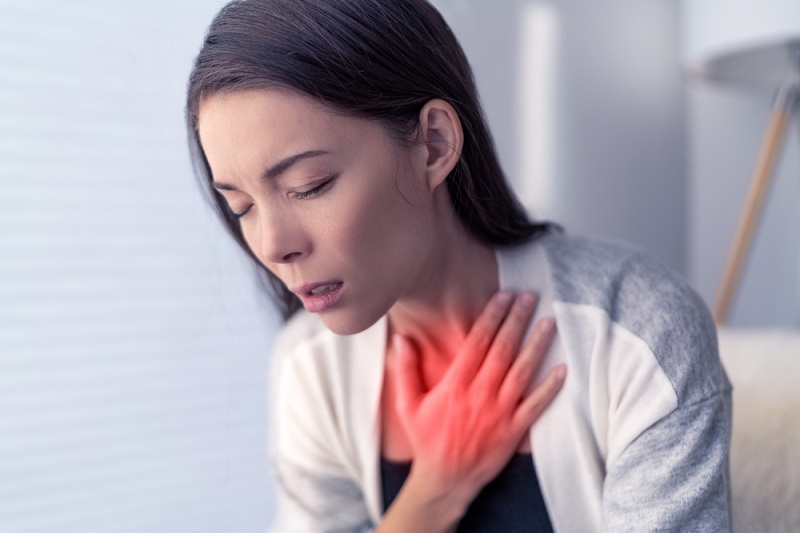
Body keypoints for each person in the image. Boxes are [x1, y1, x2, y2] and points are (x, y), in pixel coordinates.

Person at [185, 0, 733, 531]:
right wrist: (433, 493)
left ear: (434, 143)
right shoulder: (310, 367)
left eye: (310, 186)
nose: (273, 244)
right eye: (242, 207)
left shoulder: (634, 334)